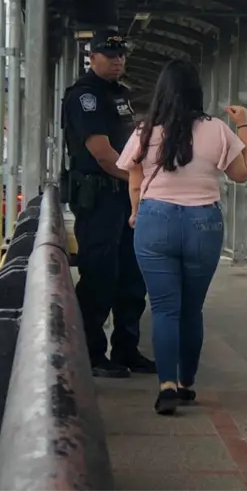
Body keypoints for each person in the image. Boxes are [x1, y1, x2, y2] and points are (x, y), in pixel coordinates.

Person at [117, 60, 247, 415]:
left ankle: (166, 387)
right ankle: (187, 381)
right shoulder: (218, 129)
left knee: (163, 308)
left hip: (155, 219)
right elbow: (241, 175)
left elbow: (134, 181)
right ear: (197, 91)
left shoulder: (145, 130)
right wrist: (245, 127)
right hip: (202, 223)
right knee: (191, 309)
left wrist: (135, 213)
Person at [61, 30, 156, 378]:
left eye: (121, 54)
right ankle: (92, 353)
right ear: (92, 57)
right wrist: (140, 179)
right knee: (100, 275)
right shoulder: (85, 96)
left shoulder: (121, 94)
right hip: (99, 197)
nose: (117, 60)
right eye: (109, 54)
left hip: (125, 197)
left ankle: (127, 349)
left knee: (132, 277)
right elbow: (102, 154)